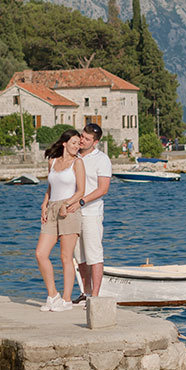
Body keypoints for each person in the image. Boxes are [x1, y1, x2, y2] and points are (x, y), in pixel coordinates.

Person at [36, 129, 85, 312]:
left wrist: (67, 204)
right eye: (73, 142)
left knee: (66, 257)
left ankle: (66, 300)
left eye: (78, 143)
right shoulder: (53, 161)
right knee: (40, 253)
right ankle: (53, 295)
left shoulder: (78, 163)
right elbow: (50, 187)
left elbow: (81, 191)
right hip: (52, 208)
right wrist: (44, 204)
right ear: (64, 143)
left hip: (69, 210)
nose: (76, 146)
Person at [73, 122, 112, 301]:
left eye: (87, 139)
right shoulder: (73, 155)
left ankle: (95, 296)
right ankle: (85, 292)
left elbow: (103, 189)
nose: (82, 140)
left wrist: (82, 201)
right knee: (78, 256)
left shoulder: (102, 159)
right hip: (72, 213)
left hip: (91, 212)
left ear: (95, 142)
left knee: (94, 254)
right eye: (82, 136)